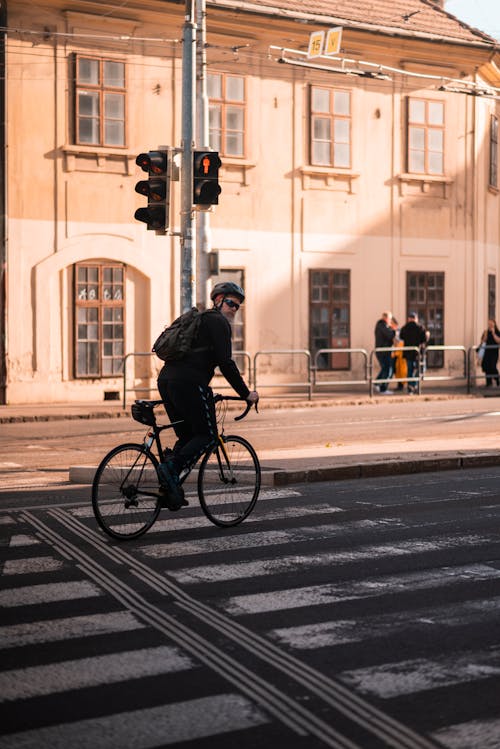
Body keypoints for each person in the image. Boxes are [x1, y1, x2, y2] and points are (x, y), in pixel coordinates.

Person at [157, 282, 259, 510]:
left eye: (238, 306)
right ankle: (171, 470)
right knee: (208, 435)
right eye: (231, 303)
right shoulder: (218, 322)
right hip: (189, 382)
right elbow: (226, 363)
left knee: (187, 437)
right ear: (219, 299)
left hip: (166, 380)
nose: (234, 309)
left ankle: (169, 487)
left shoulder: (201, 320)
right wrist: (246, 394)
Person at [400, 312, 429, 393]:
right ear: (416, 319)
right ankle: (414, 384)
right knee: (421, 369)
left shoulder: (404, 327)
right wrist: (427, 335)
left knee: (410, 370)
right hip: (418, 353)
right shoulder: (420, 327)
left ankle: (410, 387)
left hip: (408, 353)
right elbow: (424, 339)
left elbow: (401, 337)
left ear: (409, 319)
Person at [374, 311, 396, 393]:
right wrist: (393, 330)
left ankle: (376, 383)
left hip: (384, 350)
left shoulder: (382, 325)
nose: (390, 320)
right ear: (386, 318)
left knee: (385, 368)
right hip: (383, 351)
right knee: (388, 369)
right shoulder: (382, 325)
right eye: (390, 319)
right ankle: (383, 388)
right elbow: (390, 335)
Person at [479, 318, 500, 387]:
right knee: (486, 367)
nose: (490, 325)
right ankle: (488, 382)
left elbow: (498, 341)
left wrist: (493, 334)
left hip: (494, 353)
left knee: (493, 366)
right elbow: (483, 341)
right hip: (487, 352)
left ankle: (497, 380)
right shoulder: (486, 332)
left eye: (491, 324)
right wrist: (485, 336)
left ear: (494, 324)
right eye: (489, 324)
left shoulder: (497, 332)